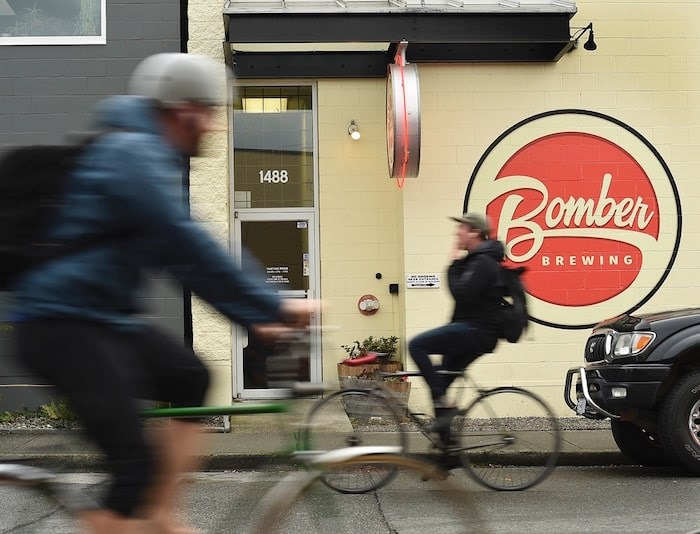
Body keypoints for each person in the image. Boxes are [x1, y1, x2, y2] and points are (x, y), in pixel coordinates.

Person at [9, 53, 315, 534]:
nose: (214, 127)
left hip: (104, 319)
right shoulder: (132, 153)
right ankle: (130, 516)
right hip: (61, 325)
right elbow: (187, 241)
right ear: (182, 109)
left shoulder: (150, 159)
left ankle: (159, 515)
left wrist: (251, 316)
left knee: (188, 376)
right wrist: (273, 304)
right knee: (134, 465)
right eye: (210, 112)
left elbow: (185, 260)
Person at [408, 212, 504, 446]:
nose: (457, 233)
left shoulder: (483, 262)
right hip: (472, 330)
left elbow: (462, 292)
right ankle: (447, 448)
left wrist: (453, 265)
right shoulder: (476, 260)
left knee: (416, 345)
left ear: (475, 233)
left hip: (476, 332)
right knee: (439, 378)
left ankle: (444, 403)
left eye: (461, 229)